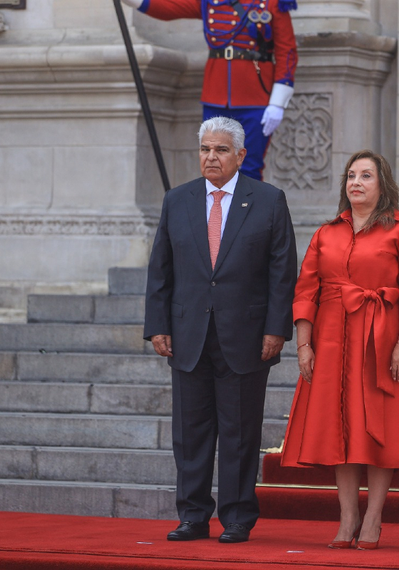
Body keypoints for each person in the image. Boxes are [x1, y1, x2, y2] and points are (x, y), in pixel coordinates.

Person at [144, 116, 297, 543]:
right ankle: (193, 515)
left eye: (221, 150)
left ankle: (236, 518)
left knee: (240, 433)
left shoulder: (268, 200)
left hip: (246, 337)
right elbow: (161, 269)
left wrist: (276, 330)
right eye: (206, 150)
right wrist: (157, 325)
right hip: (187, 334)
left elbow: (282, 272)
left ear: (240, 156)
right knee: (189, 435)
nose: (212, 157)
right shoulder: (177, 200)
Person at [280, 150, 399, 550]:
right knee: (341, 430)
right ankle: (347, 515)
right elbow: (305, 292)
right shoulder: (326, 233)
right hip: (332, 340)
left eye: (366, 176)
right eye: (351, 176)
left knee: (378, 431)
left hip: (383, 341)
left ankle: (373, 517)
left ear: (382, 184)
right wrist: (303, 344)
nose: (356, 183)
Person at [120, 0, 298, 180]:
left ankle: (247, 209)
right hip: (216, 97)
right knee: (213, 167)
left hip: (255, 98)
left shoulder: (272, 3)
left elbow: (287, 52)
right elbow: (169, 8)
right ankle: (217, 210)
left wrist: (278, 102)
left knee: (248, 168)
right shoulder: (209, 2)